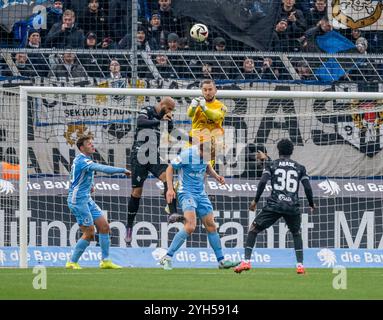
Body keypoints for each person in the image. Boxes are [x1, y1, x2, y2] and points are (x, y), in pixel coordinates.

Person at [234, 139, 315, 274]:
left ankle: (246, 261)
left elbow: (262, 182)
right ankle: (300, 265)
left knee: (253, 229)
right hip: (292, 205)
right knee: (296, 233)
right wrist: (311, 203)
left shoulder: (272, 165)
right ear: (292, 151)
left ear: (278, 150)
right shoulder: (300, 167)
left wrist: (255, 201)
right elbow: (307, 187)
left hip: (274, 204)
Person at [160, 139, 240, 270]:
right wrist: (169, 188)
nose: (210, 158)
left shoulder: (207, 155)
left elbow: (207, 167)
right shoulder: (188, 155)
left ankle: (221, 261)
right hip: (186, 192)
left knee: (211, 226)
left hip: (201, 194)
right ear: (201, 150)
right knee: (190, 226)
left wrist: (216, 176)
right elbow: (169, 168)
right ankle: (166, 258)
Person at [66, 134, 131, 269]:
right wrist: (122, 170)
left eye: (92, 143)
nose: (92, 145)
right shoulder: (82, 161)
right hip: (78, 200)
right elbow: (103, 168)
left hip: (86, 198)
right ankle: (72, 262)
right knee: (89, 232)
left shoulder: (83, 160)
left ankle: (105, 261)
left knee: (104, 227)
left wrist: (90, 186)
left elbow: (77, 177)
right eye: (89, 144)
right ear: (81, 147)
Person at [125, 97, 182, 244]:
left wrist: (189, 137)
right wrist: (161, 121)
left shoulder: (165, 116)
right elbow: (141, 122)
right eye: (169, 109)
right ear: (163, 105)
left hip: (153, 155)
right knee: (137, 192)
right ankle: (129, 227)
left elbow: (172, 131)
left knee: (167, 177)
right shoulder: (148, 110)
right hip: (139, 154)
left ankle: (173, 213)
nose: (170, 112)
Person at [187, 79, 227, 167]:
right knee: (187, 170)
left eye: (210, 89)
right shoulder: (196, 103)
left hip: (210, 145)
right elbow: (189, 114)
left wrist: (204, 108)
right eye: (205, 90)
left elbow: (215, 116)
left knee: (204, 172)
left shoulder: (221, 106)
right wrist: (193, 107)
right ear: (202, 91)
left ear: (215, 90)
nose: (207, 92)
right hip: (193, 141)